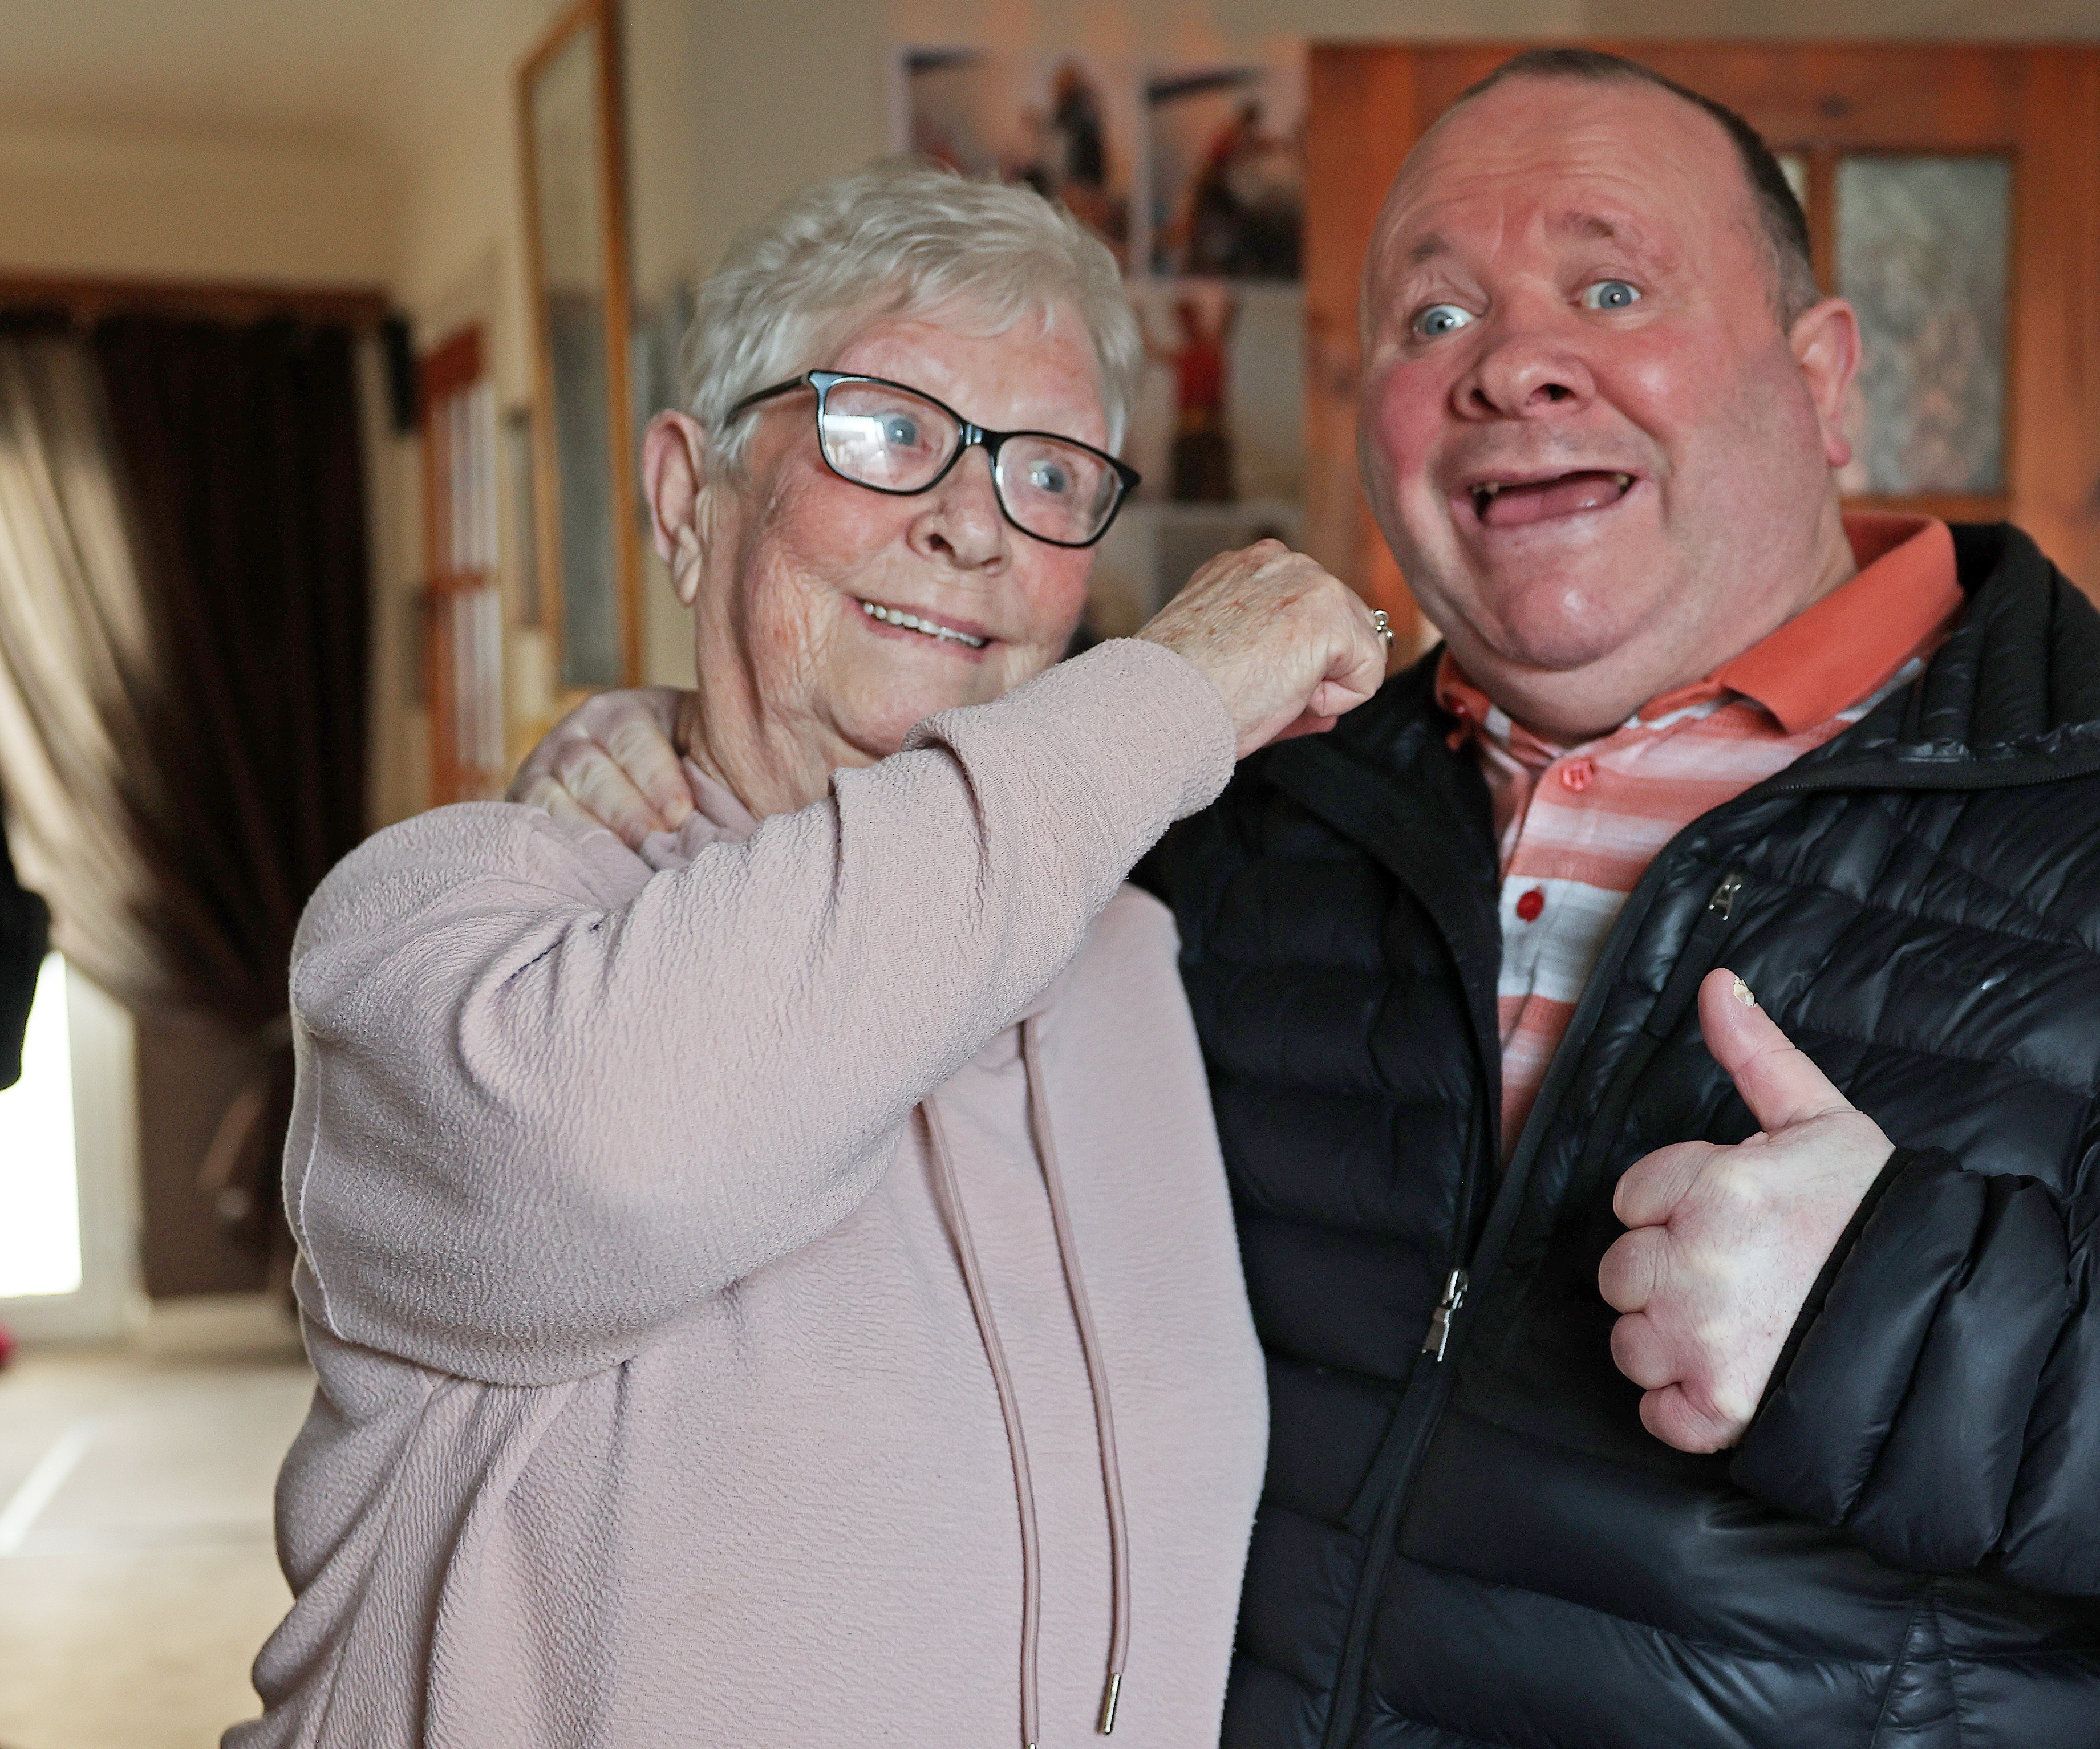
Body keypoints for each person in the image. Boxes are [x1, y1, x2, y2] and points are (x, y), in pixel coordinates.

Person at [518, 52, 2100, 1749]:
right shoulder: (1231, 823)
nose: (1509, 356)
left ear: (1825, 376)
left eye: (1611, 286)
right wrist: (699, 763)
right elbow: (881, 949)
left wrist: (1911, 1320)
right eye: (1435, 310)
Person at [234, 163, 1387, 1748]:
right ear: (687, 500)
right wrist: (1165, 700)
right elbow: (622, 1151)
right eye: (889, 432)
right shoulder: (440, 930)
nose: (971, 522)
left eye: (1051, 475)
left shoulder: (1136, 958)